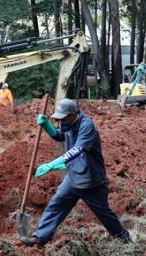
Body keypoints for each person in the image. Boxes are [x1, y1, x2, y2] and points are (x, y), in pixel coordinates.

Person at [19, 98, 130, 246]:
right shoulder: (69, 123)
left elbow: (78, 149)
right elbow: (60, 136)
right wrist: (47, 126)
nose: (61, 122)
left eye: (62, 118)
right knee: (56, 204)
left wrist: (54, 164)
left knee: (104, 214)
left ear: (72, 115)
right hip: (73, 177)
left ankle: (124, 239)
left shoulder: (87, 126)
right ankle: (40, 237)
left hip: (90, 180)